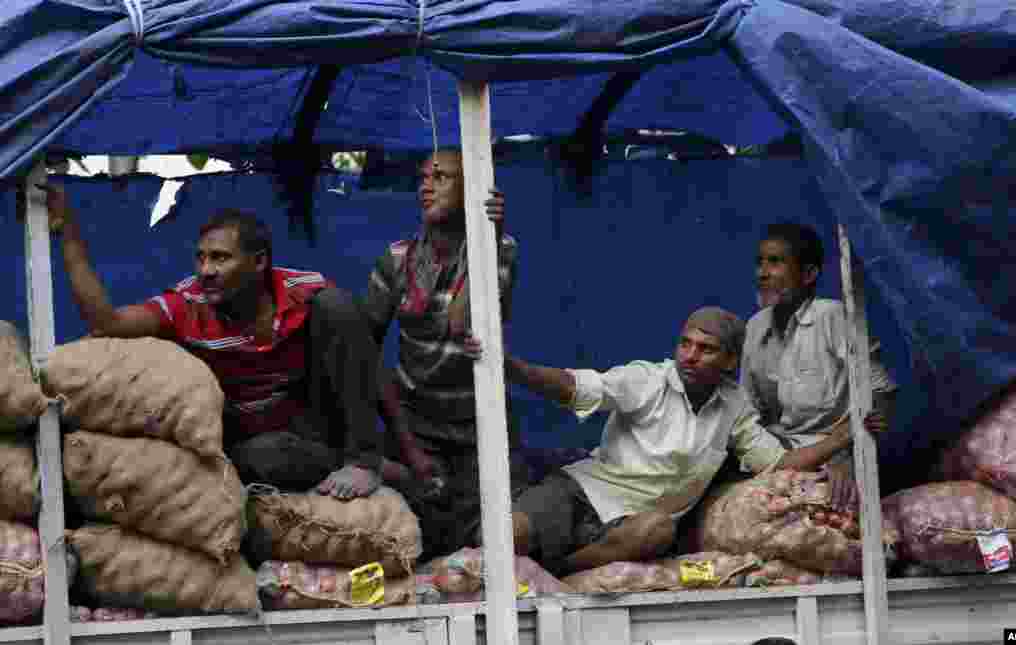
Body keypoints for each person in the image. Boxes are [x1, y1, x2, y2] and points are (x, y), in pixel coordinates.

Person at [44, 185, 382, 493]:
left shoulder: (305, 291)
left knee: (337, 306)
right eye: (200, 257)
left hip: (311, 427)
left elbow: (366, 366)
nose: (205, 271)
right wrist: (68, 233)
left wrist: (391, 446)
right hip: (247, 441)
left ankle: (362, 462)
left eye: (220, 257)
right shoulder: (189, 304)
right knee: (263, 456)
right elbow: (106, 322)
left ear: (260, 261)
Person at [498, 307, 859, 577]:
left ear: (731, 361)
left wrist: (841, 438)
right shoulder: (648, 380)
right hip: (580, 493)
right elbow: (574, 386)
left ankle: (557, 571)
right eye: (685, 343)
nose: (690, 355)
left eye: (706, 348)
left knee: (659, 531)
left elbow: (776, 464)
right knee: (508, 538)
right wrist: (513, 368)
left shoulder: (734, 405)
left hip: (631, 523)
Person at [343, 148, 527, 561]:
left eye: (441, 177)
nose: (426, 186)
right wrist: (409, 449)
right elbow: (365, 353)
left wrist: (489, 237)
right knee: (413, 539)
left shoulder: (503, 249)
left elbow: (462, 321)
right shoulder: (396, 259)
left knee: (492, 542)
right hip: (417, 423)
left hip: (482, 422)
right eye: (423, 177)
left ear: (474, 189)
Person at [743, 221, 897, 510]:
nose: (762, 273)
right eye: (760, 263)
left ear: (809, 274)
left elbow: (881, 393)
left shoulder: (833, 317)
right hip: (778, 459)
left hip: (835, 458)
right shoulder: (755, 327)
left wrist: (850, 462)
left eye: (775, 263)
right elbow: (749, 415)